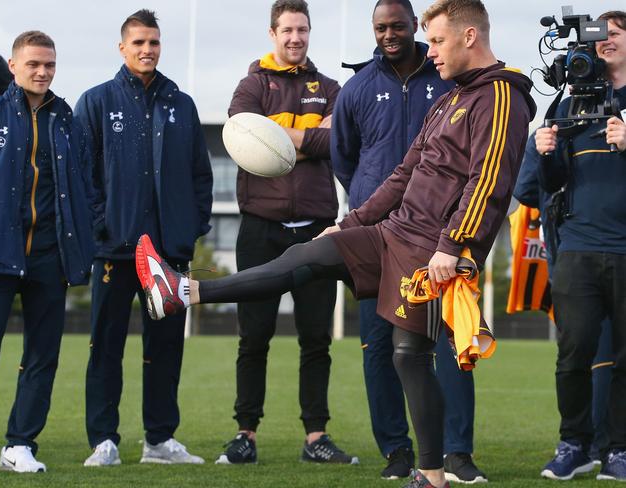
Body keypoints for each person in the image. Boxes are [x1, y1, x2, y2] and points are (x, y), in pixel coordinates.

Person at [136, 0, 535, 486]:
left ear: (469, 37)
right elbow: (402, 174)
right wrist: (351, 223)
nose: (430, 52)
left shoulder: (500, 96)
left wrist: (453, 247)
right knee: (307, 256)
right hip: (393, 233)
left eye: (437, 41)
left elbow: (488, 183)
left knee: (410, 356)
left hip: (431, 251)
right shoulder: (451, 97)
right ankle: (183, 292)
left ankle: (431, 474)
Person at [331, 0, 485, 482]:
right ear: (372, 30)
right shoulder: (356, 88)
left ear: (415, 27)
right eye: (380, 27)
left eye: (398, 25)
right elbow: (344, 158)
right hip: (378, 237)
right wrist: (371, 205)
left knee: (448, 344)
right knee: (378, 347)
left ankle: (456, 453)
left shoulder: (449, 81)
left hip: (437, 240)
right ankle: (396, 451)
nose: (389, 34)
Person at [211, 0, 356, 466]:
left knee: (316, 338)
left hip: (316, 231)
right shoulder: (251, 85)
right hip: (261, 229)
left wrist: (282, 133)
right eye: (287, 30)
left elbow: (337, 141)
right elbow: (242, 135)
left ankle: (316, 438)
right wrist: (308, 133)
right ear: (272, 33)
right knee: (254, 337)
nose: (296, 38)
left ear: (310, 33)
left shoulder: (331, 87)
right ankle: (245, 435)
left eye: (303, 30)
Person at [74, 9, 213, 467]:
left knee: (166, 348)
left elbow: (200, 174)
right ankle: (104, 441)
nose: (147, 50)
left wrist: (190, 229)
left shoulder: (182, 103)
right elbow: (82, 174)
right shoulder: (96, 101)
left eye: (153, 42)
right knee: (106, 346)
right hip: (115, 249)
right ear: (122, 47)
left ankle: (159, 441)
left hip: (169, 252)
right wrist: (100, 224)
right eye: (138, 43)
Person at [0, 31, 95, 474]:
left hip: (51, 256)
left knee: (43, 353)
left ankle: (20, 445)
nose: (42, 72)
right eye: (33, 65)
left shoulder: (67, 118)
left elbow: (86, 183)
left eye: (49, 65)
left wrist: (83, 237)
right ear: (12, 66)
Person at [532, 10, 626, 482]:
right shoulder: (569, 105)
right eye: (600, 35)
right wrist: (546, 152)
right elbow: (547, 185)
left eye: (615, 34)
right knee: (573, 356)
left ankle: (620, 450)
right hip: (578, 249)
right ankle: (574, 445)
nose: (605, 41)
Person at [514, 133, 613, 471]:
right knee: (582, 353)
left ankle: (607, 448)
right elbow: (527, 189)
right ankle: (586, 446)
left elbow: (526, 191)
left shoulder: (557, 122)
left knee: (597, 355)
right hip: (574, 252)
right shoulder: (553, 125)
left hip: (600, 252)